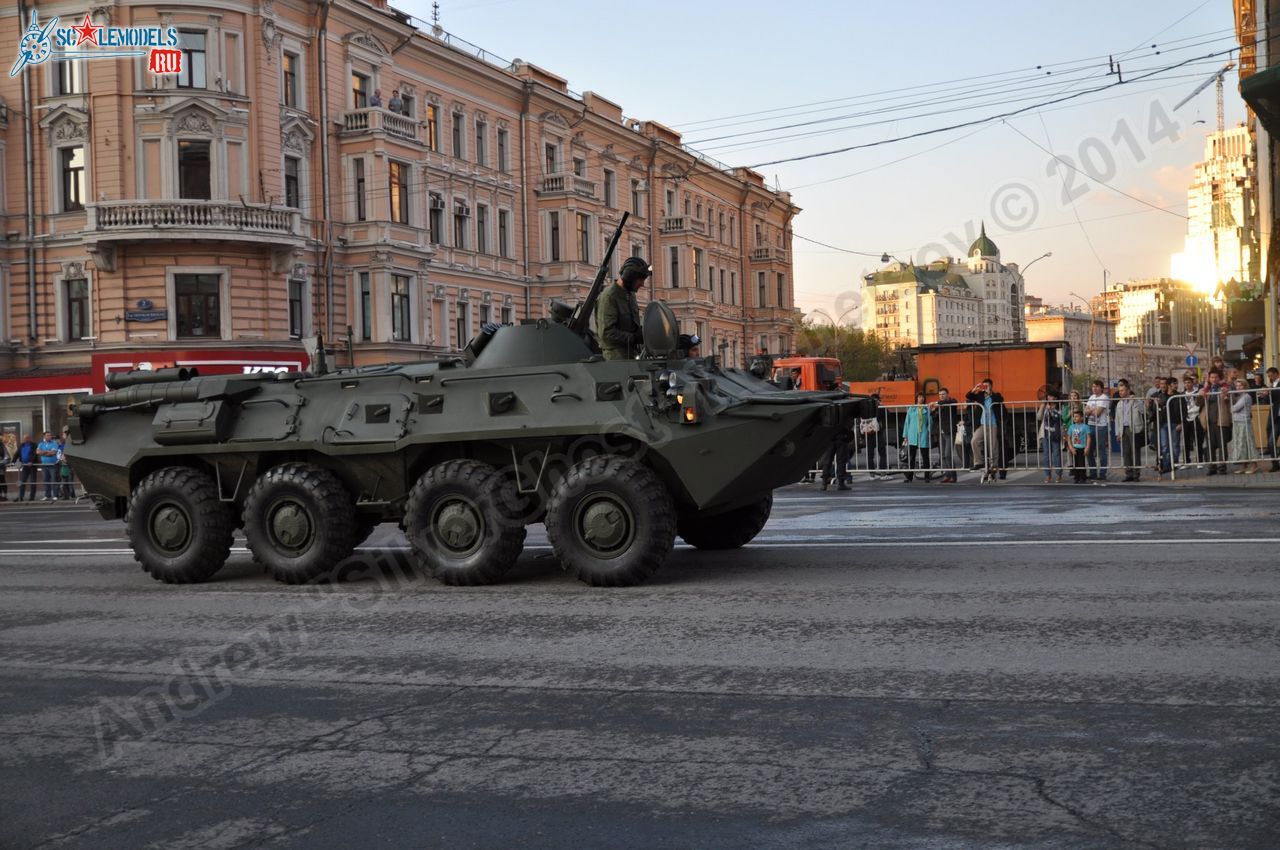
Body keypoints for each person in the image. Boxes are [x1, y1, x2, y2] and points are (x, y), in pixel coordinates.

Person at [595, 256, 649, 360]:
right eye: (640, 280)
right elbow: (606, 334)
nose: (642, 284)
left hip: (632, 354)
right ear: (630, 277)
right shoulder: (609, 297)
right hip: (616, 359)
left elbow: (632, 327)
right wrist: (634, 338)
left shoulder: (630, 295)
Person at [966, 379, 1004, 482]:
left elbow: (1001, 399)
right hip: (982, 424)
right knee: (974, 441)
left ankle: (994, 466)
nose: (985, 387)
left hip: (993, 424)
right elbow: (968, 396)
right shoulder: (980, 395)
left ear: (991, 386)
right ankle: (978, 462)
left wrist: (989, 394)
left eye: (987, 385)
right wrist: (975, 389)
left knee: (993, 446)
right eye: (984, 386)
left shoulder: (995, 395)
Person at [1113, 379, 1147, 482]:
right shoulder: (1119, 404)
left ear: (1128, 391)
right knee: (1126, 452)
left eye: (1123, 390)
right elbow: (1117, 419)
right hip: (1123, 429)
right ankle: (1128, 473)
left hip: (1134, 428)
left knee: (1135, 452)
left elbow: (1143, 411)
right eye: (1120, 391)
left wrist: (1136, 400)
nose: (1121, 393)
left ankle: (1136, 474)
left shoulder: (1136, 401)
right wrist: (1117, 433)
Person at [1201, 368, 1232, 475]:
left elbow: (1229, 401)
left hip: (1220, 420)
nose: (1214, 379)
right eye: (1212, 377)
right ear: (1209, 379)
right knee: (1210, 445)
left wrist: (1225, 395)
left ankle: (1222, 467)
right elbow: (1198, 403)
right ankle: (1212, 467)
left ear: (1219, 378)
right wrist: (1201, 394)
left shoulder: (1224, 388)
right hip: (1208, 421)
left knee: (1222, 444)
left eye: (1216, 377)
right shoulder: (1206, 389)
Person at [1229, 377, 1260, 474]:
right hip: (1238, 422)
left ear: (1245, 386)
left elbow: (1234, 409)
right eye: (1237, 386)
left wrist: (1232, 407)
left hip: (1244, 422)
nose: (1238, 387)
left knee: (1247, 442)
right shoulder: (1240, 397)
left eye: (1240, 385)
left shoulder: (1246, 396)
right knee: (1240, 444)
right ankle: (1244, 465)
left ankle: (1254, 465)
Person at [930, 387, 960, 483]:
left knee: (948, 455)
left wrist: (937, 403)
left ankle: (953, 476)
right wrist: (933, 411)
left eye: (943, 394)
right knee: (942, 455)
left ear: (947, 394)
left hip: (949, 431)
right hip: (941, 432)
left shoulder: (952, 401)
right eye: (940, 394)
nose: (941, 396)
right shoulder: (939, 405)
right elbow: (935, 418)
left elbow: (950, 403)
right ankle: (947, 475)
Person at [901, 393, 933, 482]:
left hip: (923, 434)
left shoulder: (927, 409)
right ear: (916, 398)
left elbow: (930, 422)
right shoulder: (911, 409)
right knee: (911, 457)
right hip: (912, 435)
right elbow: (907, 422)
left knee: (925, 456)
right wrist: (905, 435)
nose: (921, 398)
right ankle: (909, 477)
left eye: (922, 397)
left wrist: (929, 431)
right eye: (919, 397)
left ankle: (927, 477)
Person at [1085, 380, 1111, 480]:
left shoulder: (1104, 398)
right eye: (1093, 387)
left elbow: (1098, 413)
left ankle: (1102, 473)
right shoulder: (1091, 397)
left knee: (1101, 450)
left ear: (1101, 388)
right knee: (1089, 450)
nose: (1094, 388)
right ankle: (1093, 472)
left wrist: (1090, 410)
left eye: (1096, 386)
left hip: (1101, 426)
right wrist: (1092, 410)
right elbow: (1085, 411)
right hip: (1090, 425)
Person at [1037, 389, 1064, 482]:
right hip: (1045, 433)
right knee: (1046, 455)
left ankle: (1059, 474)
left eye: (1051, 396)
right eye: (1048, 396)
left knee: (1056, 454)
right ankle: (1048, 475)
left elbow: (1059, 418)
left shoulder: (1060, 406)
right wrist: (1042, 405)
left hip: (1055, 434)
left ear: (1055, 398)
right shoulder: (1045, 406)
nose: (1049, 398)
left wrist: (1051, 410)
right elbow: (1039, 417)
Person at [861, 392, 889, 479]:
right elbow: (887, 415)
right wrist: (882, 406)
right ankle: (883, 473)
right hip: (878, 433)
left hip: (868, 433)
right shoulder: (879, 407)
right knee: (882, 453)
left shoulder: (866, 408)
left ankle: (871, 474)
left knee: (870, 454)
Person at [1065, 410, 1092, 483]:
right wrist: (1071, 448)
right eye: (1074, 416)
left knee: (1081, 463)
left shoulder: (1085, 427)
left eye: (1077, 416)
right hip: (1074, 448)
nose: (1075, 418)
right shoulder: (1071, 427)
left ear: (1082, 418)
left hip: (1082, 447)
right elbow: (1068, 438)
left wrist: (1087, 447)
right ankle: (1076, 477)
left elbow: (1089, 437)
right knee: (1075, 464)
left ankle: (1083, 478)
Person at [36, 430, 59, 501]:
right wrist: (47, 452)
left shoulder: (54, 443)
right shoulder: (41, 444)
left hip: (53, 465)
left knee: (54, 480)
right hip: (44, 465)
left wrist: (44, 452)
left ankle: (55, 495)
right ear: (44, 436)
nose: (50, 436)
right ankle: (47, 495)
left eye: (50, 435)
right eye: (48, 435)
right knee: (46, 480)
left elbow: (53, 453)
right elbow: (37, 452)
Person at [15, 433, 37, 502]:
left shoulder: (34, 445)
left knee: (33, 482)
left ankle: (32, 497)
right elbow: (17, 454)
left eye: (27, 438)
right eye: (25, 438)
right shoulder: (21, 445)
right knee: (21, 481)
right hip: (25, 466)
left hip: (32, 466)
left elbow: (35, 454)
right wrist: (14, 461)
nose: (26, 439)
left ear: (30, 438)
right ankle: (20, 497)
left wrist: (31, 461)